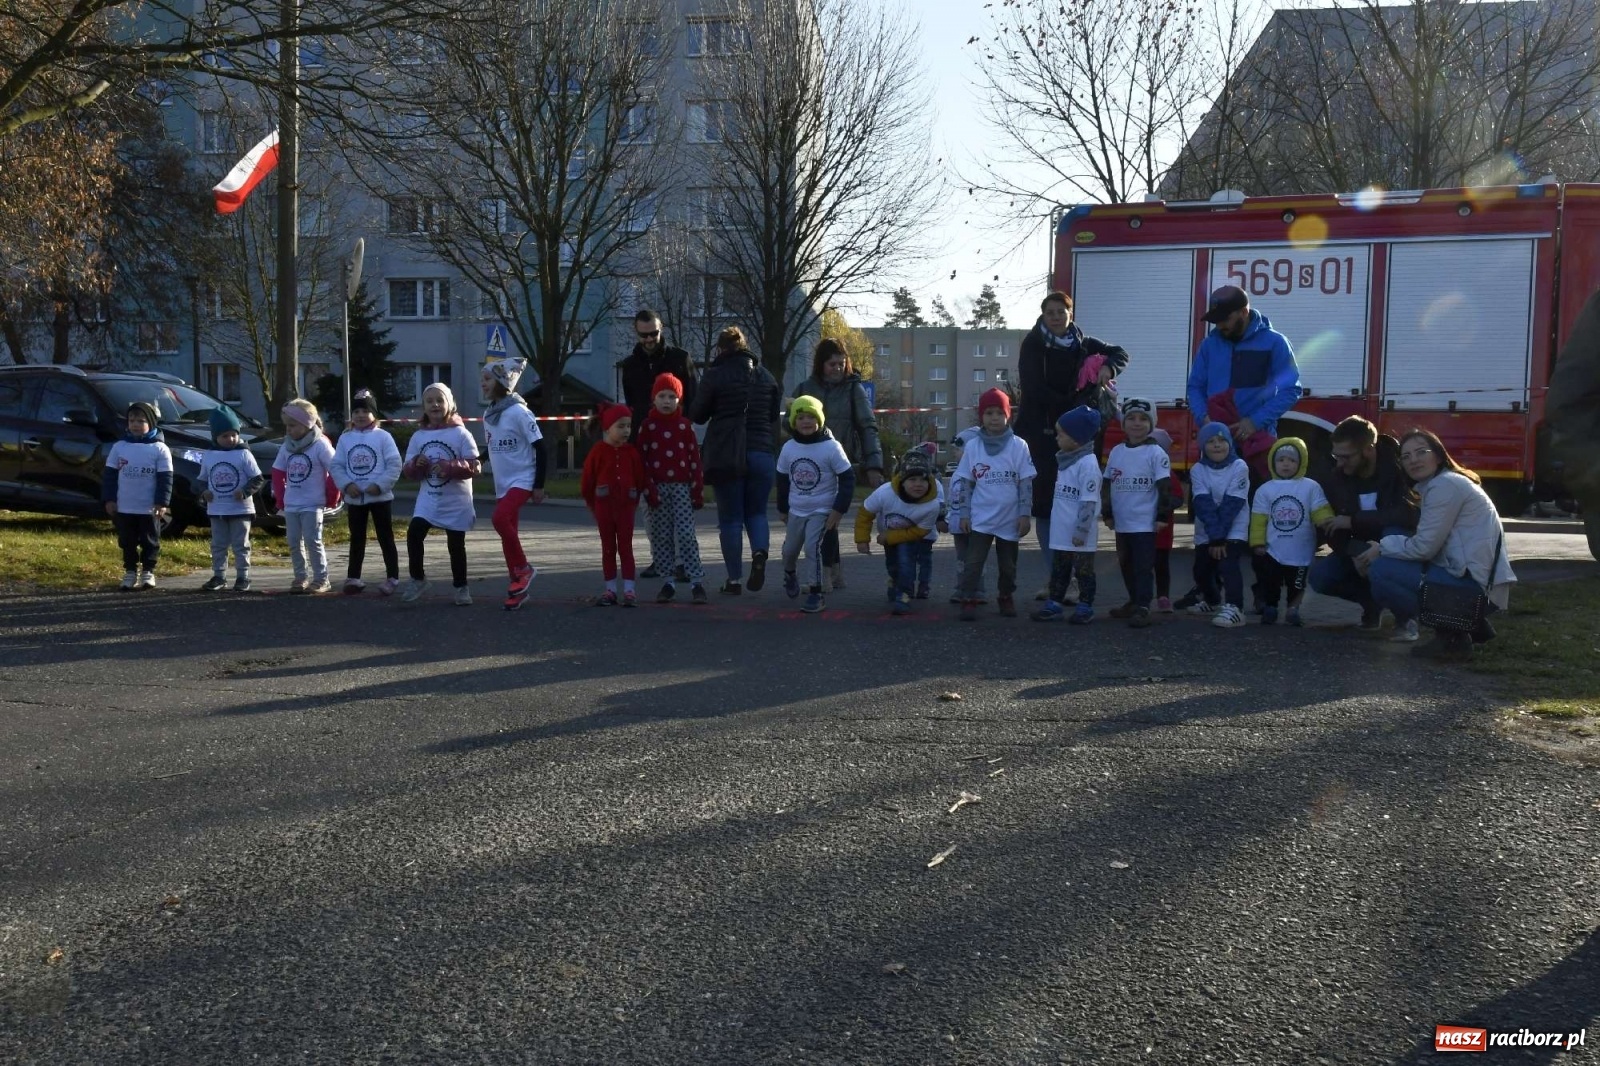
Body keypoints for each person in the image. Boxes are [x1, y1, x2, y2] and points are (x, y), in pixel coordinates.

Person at [1187, 284, 1304, 611]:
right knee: (1211, 520)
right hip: (1217, 447)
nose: (1219, 326)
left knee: (1258, 524)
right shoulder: (1210, 345)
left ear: (1243, 313)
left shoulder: (1274, 343)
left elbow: (1291, 390)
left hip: (1255, 447)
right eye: (1216, 321)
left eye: (1224, 319)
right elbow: (1194, 387)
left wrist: (1254, 421)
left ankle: (1263, 596)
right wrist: (1206, 417)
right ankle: (1210, 594)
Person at [1353, 429, 1517, 661]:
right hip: (1475, 581)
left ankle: (1453, 634)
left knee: (1382, 570)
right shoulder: (1442, 484)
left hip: (1476, 586)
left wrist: (1381, 547)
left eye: (1421, 452)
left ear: (1438, 456)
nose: (1413, 460)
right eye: (1406, 456)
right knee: (1391, 546)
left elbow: (1424, 548)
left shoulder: (1445, 486)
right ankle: (1465, 625)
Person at [1016, 290, 1128, 593]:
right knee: (1046, 506)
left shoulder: (1085, 343)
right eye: (1049, 312)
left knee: (1077, 504)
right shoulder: (1033, 345)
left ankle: (1075, 580)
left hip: (1078, 438)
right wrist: (1072, 408)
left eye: (1060, 312)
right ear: (1042, 315)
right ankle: (1055, 580)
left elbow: (1120, 353)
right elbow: (1034, 389)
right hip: (1042, 435)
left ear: (1070, 314)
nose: (1055, 317)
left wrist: (1108, 367)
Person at [691, 326, 782, 596]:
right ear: (745, 346)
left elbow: (698, 414)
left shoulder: (715, 375)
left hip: (727, 453)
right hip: (762, 452)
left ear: (720, 349)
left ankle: (733, 581)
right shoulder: (766, 377)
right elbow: (772, 416)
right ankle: (759, 554)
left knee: (730, 519)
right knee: (756, 513)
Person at [792, 337, 885, 591]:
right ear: (821, 364)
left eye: (841, 364)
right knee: (817, 521)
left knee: (828, 519)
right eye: (832, 364)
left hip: (839, 464)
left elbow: (867, 427)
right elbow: (790, 425)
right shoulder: (804, 388)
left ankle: (827, 572)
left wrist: (873, 465)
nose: (838, 369)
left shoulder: (854, 389)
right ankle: (833, 569)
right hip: (808, 465)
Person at [1312, 416, 1419, 631]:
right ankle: (1371, 605)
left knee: (1391, 536)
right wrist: (1354, 553)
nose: (1340, 462)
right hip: (1359, 549)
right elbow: (1332, 527)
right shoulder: (1337, 478)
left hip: (1397, 547)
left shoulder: (1400, 470)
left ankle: (1406, 616)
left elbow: (1410, 515)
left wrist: (1354, 521)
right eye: (1336, 456)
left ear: (1369, 450)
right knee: (1320, 576)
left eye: (1346, 457)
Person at [617, 308, 698, 578]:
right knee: (651, 506)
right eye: (644, 335)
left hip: (676, 443)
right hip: (646, 443)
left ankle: (684, 563)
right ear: (636, 333)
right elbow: (631, 403)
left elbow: (693, 397)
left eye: (654, 333)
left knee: (680, 511)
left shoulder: (679, 358)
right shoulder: (630, 366)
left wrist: (683, 428)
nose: (650, 339)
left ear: (661, 329)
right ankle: (660, 558)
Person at [950, 388, 1036, 621]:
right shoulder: (974, 447)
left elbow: (1026, 482)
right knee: (973, 563)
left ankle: (1005, 596)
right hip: (981, 519)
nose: (994, 417)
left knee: (1008, 566)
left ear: (1008, 415)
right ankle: (969, 598)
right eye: (989, 413)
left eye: (999, 412)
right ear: (981, 417)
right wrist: (964, 514)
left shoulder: (1019, 446)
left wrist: (1025, 514)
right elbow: (966, 483)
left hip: (1010, 518)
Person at [400, 383, 481, 605]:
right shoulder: (418, 436)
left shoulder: (461, 433)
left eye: (440, 400)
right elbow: (408, 470)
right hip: (428, 499)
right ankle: (418, 578)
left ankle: (461, 587)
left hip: (456, 500)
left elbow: (475, 466)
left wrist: (449, 467)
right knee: (414, 533)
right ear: (423, 407)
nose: (435, 404)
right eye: (429, 401)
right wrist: (417, 463)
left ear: (449, 404)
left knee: (456, 545)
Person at [777, 395, 855, 614]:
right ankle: (790, 573)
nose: (806, 421)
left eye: (811, 417)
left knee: (813, 548)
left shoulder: (831, 447)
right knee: (789, 551)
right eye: (800, 417)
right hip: (796, 509)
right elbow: (782, 479)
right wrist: (783, 508)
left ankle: (816, 593)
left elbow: (848, 479)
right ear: (793, 421)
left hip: (822, 510)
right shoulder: (789, 447)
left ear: (819, 420)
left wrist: (838, 510)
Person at [480, 358, 546, 611]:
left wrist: (538, 484)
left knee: (499, 519)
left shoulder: (519, 411)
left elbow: (540, 447)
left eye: (487, 379)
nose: (483, 384)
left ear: (501, 382)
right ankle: (517, 588)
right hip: (502, 482)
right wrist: (478, 460)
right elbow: (493, 445)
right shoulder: (490, 413)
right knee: (508, 536)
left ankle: (524, 569)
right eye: (482, 380)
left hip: (523, 478)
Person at [1103, 396, 1175, 628]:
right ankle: (1133, 600)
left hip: (1144, 524)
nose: (1136, 423)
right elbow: (1107, 484)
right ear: (1123, 423)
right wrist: (1108, 513)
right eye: (1131, 418)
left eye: (1143, 419)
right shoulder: (1116, 452)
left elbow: (1165, 488)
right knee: (1126, 564)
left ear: (1152, 423)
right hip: (1123, 522)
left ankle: (1144, 605)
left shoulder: (1156, 454)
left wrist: (1162, 516)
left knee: (1143, 567)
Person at [636, 372, 708, 605]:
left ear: (679, 400)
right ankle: (668, 582)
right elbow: (642, 460)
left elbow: (694, 460)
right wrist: (648, 489)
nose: (667, 401)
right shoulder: (647, 427)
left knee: (686, 534)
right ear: (654, 398)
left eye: (671, 396)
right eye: (662, 396)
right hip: (657, 489)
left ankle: (696, 581)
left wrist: (697, 490)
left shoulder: (685, 426)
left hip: (682, 488)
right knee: (661, 536)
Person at [1248, 437, 1332, 626]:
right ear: (1273, 462)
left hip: (1300, 550)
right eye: (1281, 460)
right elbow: (1259, 519)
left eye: (1292, 460)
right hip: (1272, 549)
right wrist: (1257, 542)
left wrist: (1326, 522)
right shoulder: (1265, 490)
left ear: (1301, 462)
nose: (1286, 464)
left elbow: (1320, 509)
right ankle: (1271, 607)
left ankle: (1293, 609)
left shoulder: (1311, 487)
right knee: (1271, 582)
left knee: (1297, 584)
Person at [1032, 405, 1101, 625]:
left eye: (1061, 434)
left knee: (1084, 571)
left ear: (1076, 438)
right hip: (1062, 532)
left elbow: (1088, 501)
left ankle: (1085, 606)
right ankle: (1055, 603)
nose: (1057, 438)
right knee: (1059, 569)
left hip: (1079, 535)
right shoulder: (1065, 461)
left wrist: (1081, 530)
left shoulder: (1088, 464)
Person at [331, 389, 403, 597]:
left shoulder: (383, 437)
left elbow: (394, 464)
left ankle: (392, 577)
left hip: (379, 498)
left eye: (365, 410)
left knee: (385, 537)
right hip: (355, 499)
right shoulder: (346, 439)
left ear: (374, 414)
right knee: (357, 538)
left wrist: (379, 485)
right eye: (356, 412)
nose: (360, 415)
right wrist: (346, 485)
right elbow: (336, 465)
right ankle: (353, 577)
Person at [855, 448, 941, 616]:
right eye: (912, 479)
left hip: (910, 535)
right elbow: (865, 514)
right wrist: (862, 539)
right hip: (887, 534)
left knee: (905, 562)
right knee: (893, 564)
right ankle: (894, 581)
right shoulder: (886, 492)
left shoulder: (932, 504)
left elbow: (921, 531)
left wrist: (891, 536)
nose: (918, 484)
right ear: (902, 480)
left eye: (923, 480)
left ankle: (904, 594)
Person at [581, 403, 649, 606]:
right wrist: (593, 504)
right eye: (621, 426)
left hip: (626, 507)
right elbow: (587, 482)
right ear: (607, 428)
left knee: (626, 547)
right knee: (608, 548)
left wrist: (637, 498)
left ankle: (629, 590)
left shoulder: (632, 453)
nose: (626, 431)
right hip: (604, 507)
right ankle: (610, 590)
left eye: (628, 426)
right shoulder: (598, 452)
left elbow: (640, 479)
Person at [101, 400, 172, 591]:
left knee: (150, 540)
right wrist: (109, 499)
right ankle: (130, 571)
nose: (135, 425)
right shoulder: (120, 447)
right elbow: (109, 476)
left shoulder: (159, 449)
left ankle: (148, 571)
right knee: (127, 541)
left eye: (140, 421)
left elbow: (166, 479)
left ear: (151, 423)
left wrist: (161, 503)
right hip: (125, 506)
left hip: (148, 507)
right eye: (132, 420)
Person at [1186, 421, 1251, 628]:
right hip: (1208, 530)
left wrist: (1220, 539)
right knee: (1201, 570)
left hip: (1234, 528)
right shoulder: (1198, 469)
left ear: (1230, 443)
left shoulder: (1239, 466)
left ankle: (1235, 607)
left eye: (1222, 440)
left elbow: (1232, 504)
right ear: (1202, 447)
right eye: (1211, 441)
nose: (1217, 445)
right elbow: (1203, 504)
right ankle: (1212, 600)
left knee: (1227, 564)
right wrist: (1214, 537)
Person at [197, 404, 265, 593]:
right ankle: (219, 575)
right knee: (218, 544)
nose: (230, 439)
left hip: (240, 510)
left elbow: (257, 478)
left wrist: (244, 492)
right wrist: (204, 492)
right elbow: (201, 480)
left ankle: (243, 576)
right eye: (224, 436)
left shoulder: (244, 453)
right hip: (217, 509)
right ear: (215, 437)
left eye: (233, 434)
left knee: (241, 544)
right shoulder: (209, 455)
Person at [272, 398, 337, 595]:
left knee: (312, 540)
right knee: (293, 541)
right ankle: (300, 577)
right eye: (287, 426)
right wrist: (281, 497)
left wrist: (331, 496)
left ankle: (321, 578)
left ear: (307, 424)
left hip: (312, 503)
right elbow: (277, 471)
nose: (288, 430)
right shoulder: (287, 446)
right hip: (292, 504)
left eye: (292, 425)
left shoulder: (320, 445)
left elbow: (334, 469)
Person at [945, 426, 987, 605]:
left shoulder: (979, 473)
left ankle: (978, 590)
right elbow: (951, 499)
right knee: (961, 559)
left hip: (975, 524)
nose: (955, 454)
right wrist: (946, 518)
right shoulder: (956, 474)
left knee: (976, 559)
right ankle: (960, 588)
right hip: (957, 525)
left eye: (958, 450)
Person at [1150, 428, 1181, 612]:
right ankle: (1140, 597)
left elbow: (1178, 497)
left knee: (1161, 565)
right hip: (1141, 528)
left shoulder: (1168, 473)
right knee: (1141, 566)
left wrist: (1162, 506)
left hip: (1162, 531)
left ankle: (1163, 597)